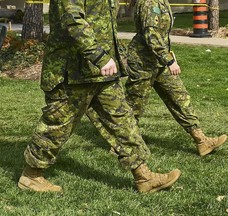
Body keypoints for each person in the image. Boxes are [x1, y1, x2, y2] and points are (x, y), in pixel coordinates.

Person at [17, 0, 181, 194]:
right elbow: (72, 20)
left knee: (122, 120)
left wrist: (110, 57)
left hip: (101, 72)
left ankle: (144, 176)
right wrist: (98, 56)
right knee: (57, 125)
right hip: (72, 71)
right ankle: (31, 175)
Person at [124, 0, 228, 156]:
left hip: (159, 61)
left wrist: (169, 56)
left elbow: (161, 35)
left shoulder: (162, 2)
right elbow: (151, 34)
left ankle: (201, 140)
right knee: (135, 105)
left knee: (180, 98)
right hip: (142, 62)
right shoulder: (148, 2)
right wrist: (169, 60)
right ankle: (122, 144)